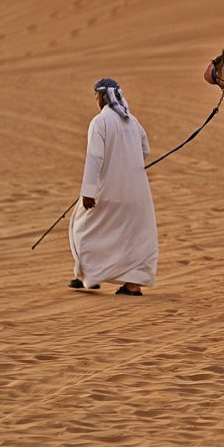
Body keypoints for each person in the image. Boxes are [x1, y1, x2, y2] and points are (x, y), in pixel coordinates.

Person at [68, 78, 158, 296]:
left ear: (103, 96)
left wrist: (88, 192)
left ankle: (91, 276)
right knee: (132, 237)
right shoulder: (133, 121)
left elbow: (95, 158)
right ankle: (132, 285)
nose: (96, 100)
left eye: (96, 95)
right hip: (137, 193)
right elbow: (145, 150)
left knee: (82, 227)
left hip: (109, 191)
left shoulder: (99, 122)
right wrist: (128, 161)